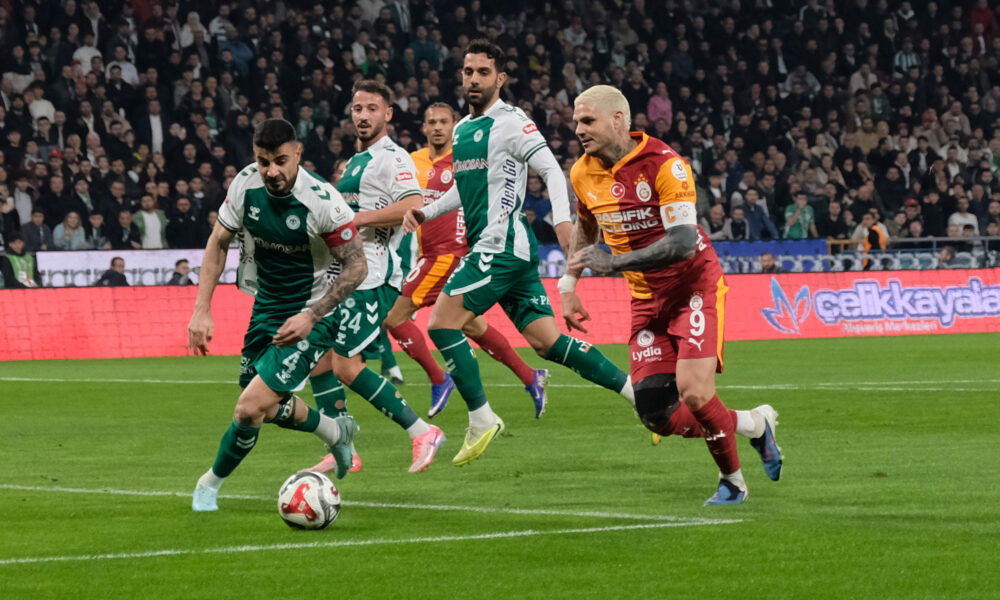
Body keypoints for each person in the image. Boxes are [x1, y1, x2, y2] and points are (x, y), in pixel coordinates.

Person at [402, 41, 634, 467]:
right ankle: (638, 394)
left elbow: (550, 170)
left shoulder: (512, 122)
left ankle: (481, 418)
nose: (474, 79)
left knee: (441, 323)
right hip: (510, 250)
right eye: (468, 71)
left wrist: (562, 222)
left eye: (483, 72)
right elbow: (466, 188)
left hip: (500, 245)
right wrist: (427, 211)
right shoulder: (463, 130)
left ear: (500, 78)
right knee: (547, 343)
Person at [566, 85, 782, 505]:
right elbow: (586, 227)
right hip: (646, 299)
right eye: (576, 121)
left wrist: (615, 262)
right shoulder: (582, 173)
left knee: (695, 391)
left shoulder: (666, 164)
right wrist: (568, 285)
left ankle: (733, 482)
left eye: (587, 120)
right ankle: (754, 425)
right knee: (655, 414)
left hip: (692, 286)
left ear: (617, 120)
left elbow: (682, 242)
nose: (578, 129)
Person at [188, 119, 367, 512]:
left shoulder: (322, 201)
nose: (271, 171)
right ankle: (335, 431)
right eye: (263, 161)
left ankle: (208, 485)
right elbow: (218, 242)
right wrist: (202, 309)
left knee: (248, 407)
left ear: (298, 154)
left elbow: (357, 266)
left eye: (281, 161)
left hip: (313, 315)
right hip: (266, 309)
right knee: (265, 410)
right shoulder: (245, 185)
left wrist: (312, 316)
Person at [302, 80, 446, 476]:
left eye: (371, 108)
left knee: (346, 366)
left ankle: (422, 431)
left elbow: (414, 204)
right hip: (342, 276)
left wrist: (356, 219)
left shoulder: (392, 158)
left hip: (372, 277)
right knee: (319, 361)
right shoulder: (354, 162)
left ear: (388, 114)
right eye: (357, 109)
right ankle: (342, 447)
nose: (363, 116)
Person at [384, 102, 550, 420]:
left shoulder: (467, 156)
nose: (437, 127)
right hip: (428, 253)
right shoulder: (413, 161)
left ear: (454, 125)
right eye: (431, 121)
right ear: (423, 127)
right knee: (471, 325)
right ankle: (531, 377)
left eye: (443, 121)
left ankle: (439, 379)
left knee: (394, 317)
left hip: (449, 254)